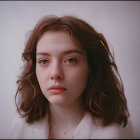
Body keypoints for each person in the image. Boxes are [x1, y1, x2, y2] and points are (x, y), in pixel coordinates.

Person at [10, 15, 133, 139]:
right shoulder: (20, 126)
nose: (55, 74)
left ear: (91, 66)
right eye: (43, 61)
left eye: (70, 60)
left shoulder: (116, 132)